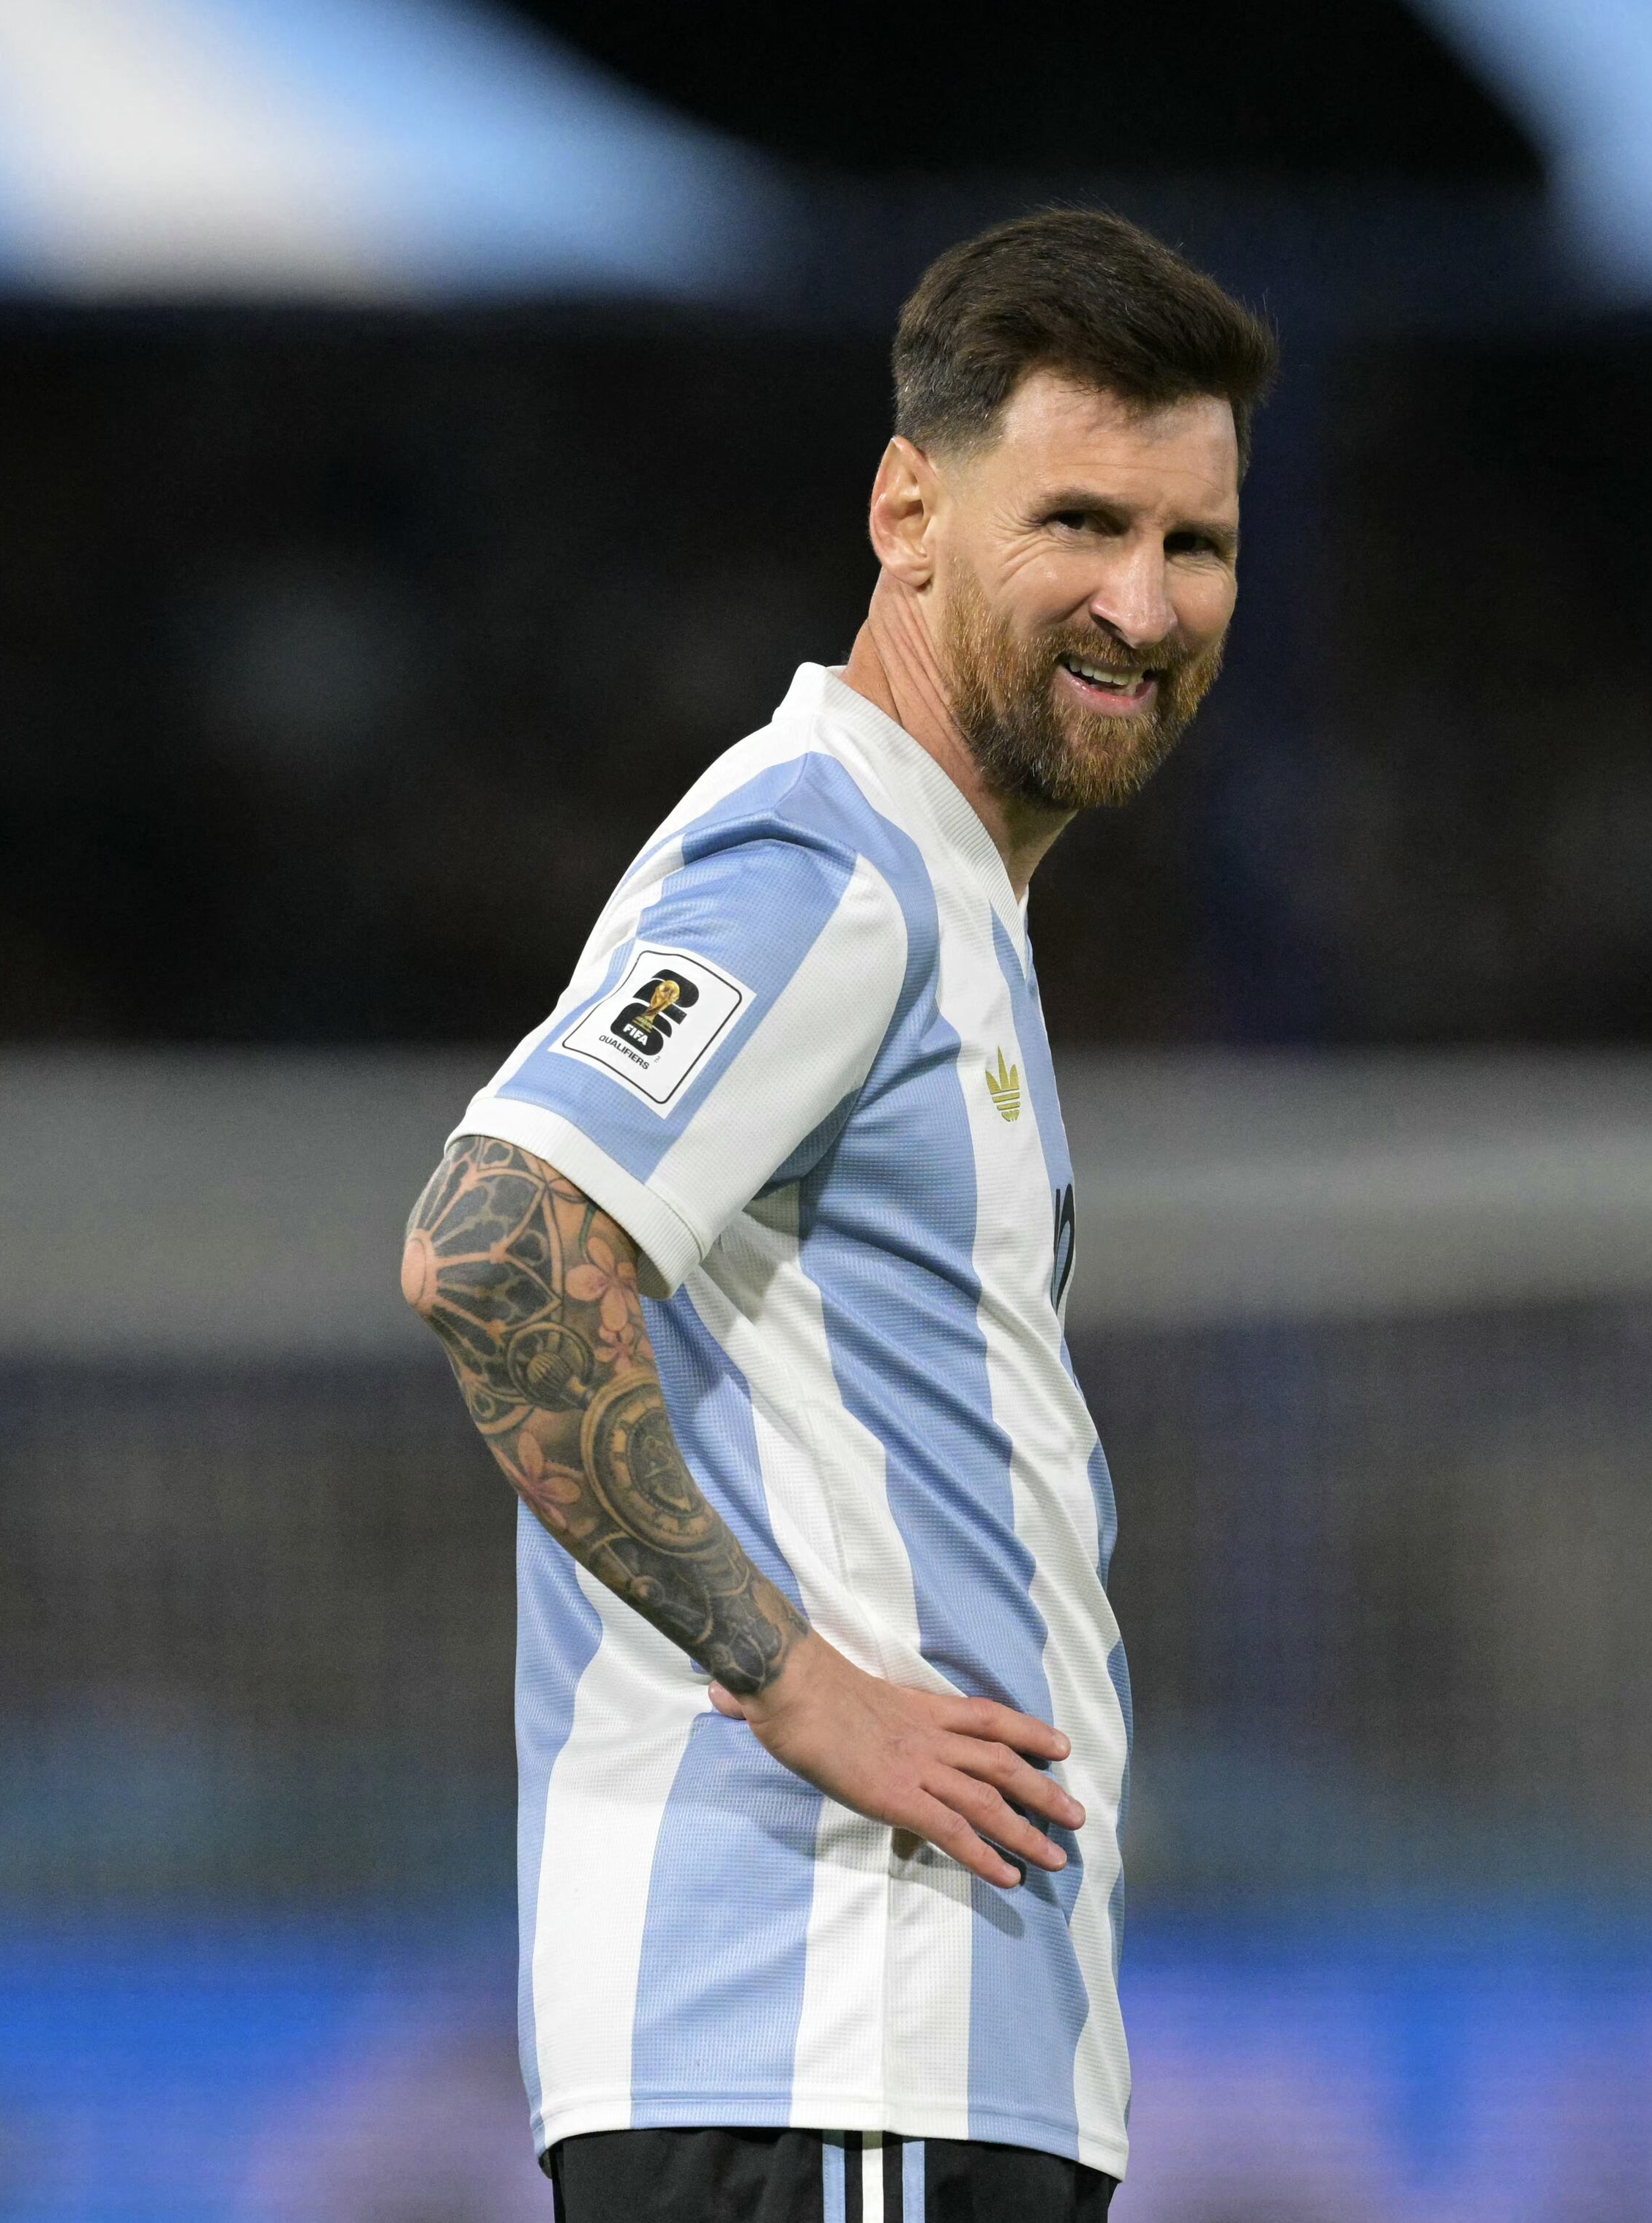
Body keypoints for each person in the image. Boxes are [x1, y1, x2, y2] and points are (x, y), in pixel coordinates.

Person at [399, 208, 1275, 2222]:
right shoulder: (828, 859)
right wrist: (793, 1677)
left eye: (1194, 543)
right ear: (908, 509)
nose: (1143, 605)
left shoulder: (945, 893)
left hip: (894, 2060)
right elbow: (497, 1240)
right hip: (825, 2038)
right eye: (1078, 523)